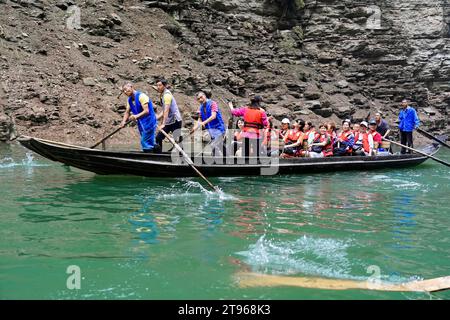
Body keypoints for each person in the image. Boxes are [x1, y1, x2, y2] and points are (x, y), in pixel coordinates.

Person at [120, 83, 157, 152]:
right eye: (123, 91)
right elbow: (127, 111)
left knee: (144, 141)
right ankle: (156, 151)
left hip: (149, 121)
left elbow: (146, 111)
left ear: (131, 87)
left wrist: (136, 116)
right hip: (141, 123)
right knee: (149, 140)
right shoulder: (129, 100)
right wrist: (123, 121)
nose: (125, 92)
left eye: (126, 89)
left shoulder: (142, 96)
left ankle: (148, 157)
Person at [193, 91, 226, 156]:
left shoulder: (213, 104)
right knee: (220, 146)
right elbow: (200, 118)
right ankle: (227, 158)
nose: (200, 100)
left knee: (213, 145)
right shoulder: (201, 107)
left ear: (205, 96)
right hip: (211, 130)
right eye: (198, 99)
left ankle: (215, 161)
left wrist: (203, 123)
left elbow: (213, 116)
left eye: (201, 97)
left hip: (219, 128)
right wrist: (195, 127)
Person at [154, 79, 183, 152]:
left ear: (164, 86)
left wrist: (163, 124)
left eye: (160, 85)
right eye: (157, 85)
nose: (158, 87)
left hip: (175, 120)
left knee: (177, 141)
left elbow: (166, 110)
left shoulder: (167, 95)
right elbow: (164, 110)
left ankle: (179, 155)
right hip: (168, 120)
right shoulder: (162, 95)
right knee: (158, 138)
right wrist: (157, 117)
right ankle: (158, 153)